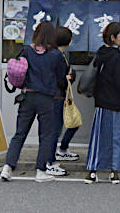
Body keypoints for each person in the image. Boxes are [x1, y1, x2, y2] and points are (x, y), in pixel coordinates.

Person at [1, 21, 64, 183]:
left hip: (27, 97)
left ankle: (8, 167)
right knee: (46, 135)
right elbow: (61, 79)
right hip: (46, 99)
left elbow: (18, 69)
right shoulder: (56, 55)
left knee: (20, 133)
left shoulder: (27, 51)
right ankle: (40, 171)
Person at [85, 22, 120, 184]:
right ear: (113, 38)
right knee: (116, 139)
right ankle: (114, 172)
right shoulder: (117, 58)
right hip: (117, 105)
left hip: (101, 104)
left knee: (99, 138)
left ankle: (92, 172)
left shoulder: (100, 55)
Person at [45, 26, 78, 177]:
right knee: (54, 130)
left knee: (69, 124)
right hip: (56, 97)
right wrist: (68, 78)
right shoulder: (57, 55)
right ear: (68, 40)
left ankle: (58, 153)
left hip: (58, 97)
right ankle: (50, 162)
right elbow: (59, 79)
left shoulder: (58, 54)